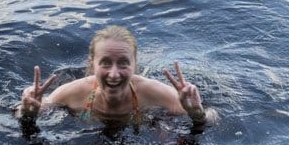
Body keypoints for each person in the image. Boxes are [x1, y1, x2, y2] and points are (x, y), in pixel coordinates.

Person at [18, 25, 216, 125]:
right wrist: (26, 112)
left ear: (135, 65)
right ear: (92, 65)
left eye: (123, 63)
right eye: (105, 63)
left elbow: (212, 116)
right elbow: (34, 109)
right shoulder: (72, 93)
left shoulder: (153, 92)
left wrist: (197, 114)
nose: (114, 74)